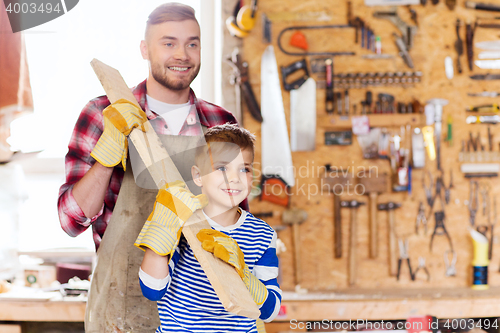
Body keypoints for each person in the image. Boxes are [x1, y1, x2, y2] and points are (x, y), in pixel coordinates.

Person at [57, 3, 239, 250]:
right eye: (168, 43)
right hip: (120, 284)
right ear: (145, 49)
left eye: (192, 44)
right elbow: (71, 222)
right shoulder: (103, 113)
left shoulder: (221, 121)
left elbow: (239, 221)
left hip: (199, 286)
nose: (182, 55)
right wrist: (105, 161)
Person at [134, 123, 281, 332]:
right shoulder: (182, 221)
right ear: (197, 176)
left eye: (244, 169)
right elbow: (153, 289)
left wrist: (244, 275)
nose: (234, 178)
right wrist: (164, 225)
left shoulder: (263, 235)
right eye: (221, 168)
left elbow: (270, 312)